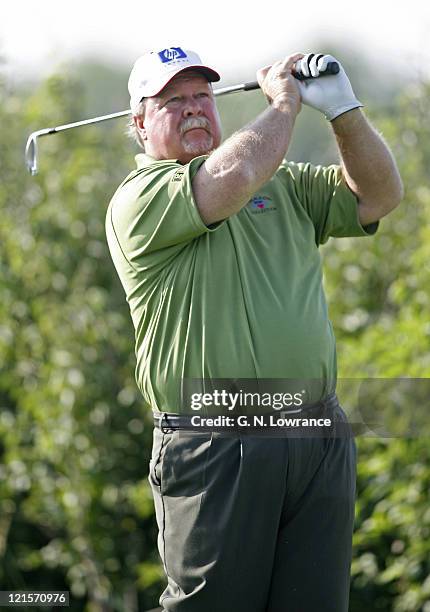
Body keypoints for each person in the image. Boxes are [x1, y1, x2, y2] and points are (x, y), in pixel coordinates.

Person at [105, 46, 403, 612]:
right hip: (216, 441)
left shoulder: (282, 182)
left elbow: (380, 195)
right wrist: (286, 106)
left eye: (202, 96)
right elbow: (232, 176)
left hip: (315, 432)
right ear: (140, 124)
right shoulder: (138, 200)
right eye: (173, 101)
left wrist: (344, 110)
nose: (194, 109)